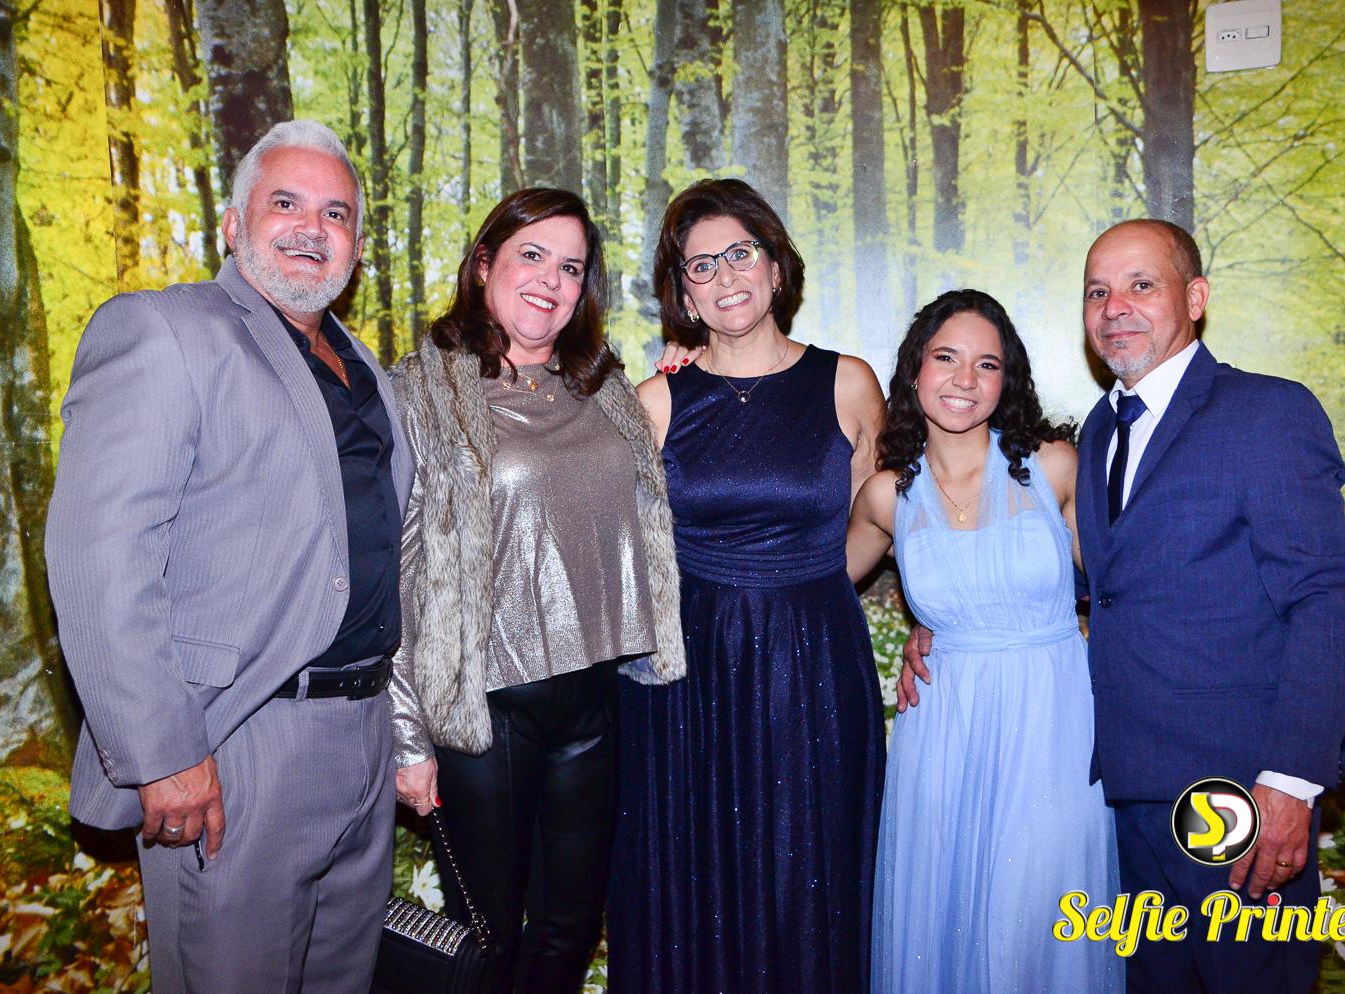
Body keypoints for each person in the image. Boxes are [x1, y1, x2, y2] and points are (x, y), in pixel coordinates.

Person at [902, 220, 1345, 994]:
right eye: (1098, 291)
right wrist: (940, 616)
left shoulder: (1264, 413)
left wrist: (1291, 780)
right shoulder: (1096, 436)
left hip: (1234, 793)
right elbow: (1098, 584)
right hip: (1119, 793)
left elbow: (1328, 594)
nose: (1115, 306)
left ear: (1196, 297)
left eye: (1141, 285)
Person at [46, 120, 410, 992]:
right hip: (239, 741)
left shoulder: (365, 369)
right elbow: (100, 557)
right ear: (233, 223)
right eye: (286, 203)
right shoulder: (165, 332)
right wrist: (163, 753)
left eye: (336, 214)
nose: (312, 228)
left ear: (357, 245)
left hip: (362, 737)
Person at [387, 187, 686, 994]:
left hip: (592, 703)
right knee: (487, 941)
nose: (551, 280)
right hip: (486, 716)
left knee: (569, 930)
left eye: (572, 267)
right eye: (532, 256)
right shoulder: (420, 391)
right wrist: (407, 737)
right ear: (484, 264)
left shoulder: (603, 388)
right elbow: (395, 569)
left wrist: (691, 372)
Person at [608, 178, 888, 994]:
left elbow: (876, 522)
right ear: (684, 292)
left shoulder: (848, 383)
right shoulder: (653, 401)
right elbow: (627, 551)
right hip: (689, 675)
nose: (725, 275)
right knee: (694, 870)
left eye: (740, 253)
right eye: (701, 265)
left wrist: (800, 589)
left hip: (816, 666)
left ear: (774, 266)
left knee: (811, 864)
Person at [848, 289, 1121, 993]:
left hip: (1052, 725)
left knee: (1040, 916)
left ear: (1007, 380)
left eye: (987, 364)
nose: (965, 379)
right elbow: (803, 590)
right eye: (946, 358)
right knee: (944, 917)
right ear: (914, 370)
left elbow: (1126, 590)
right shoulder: (884, 496)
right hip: (942, 729)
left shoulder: (1055, 467)